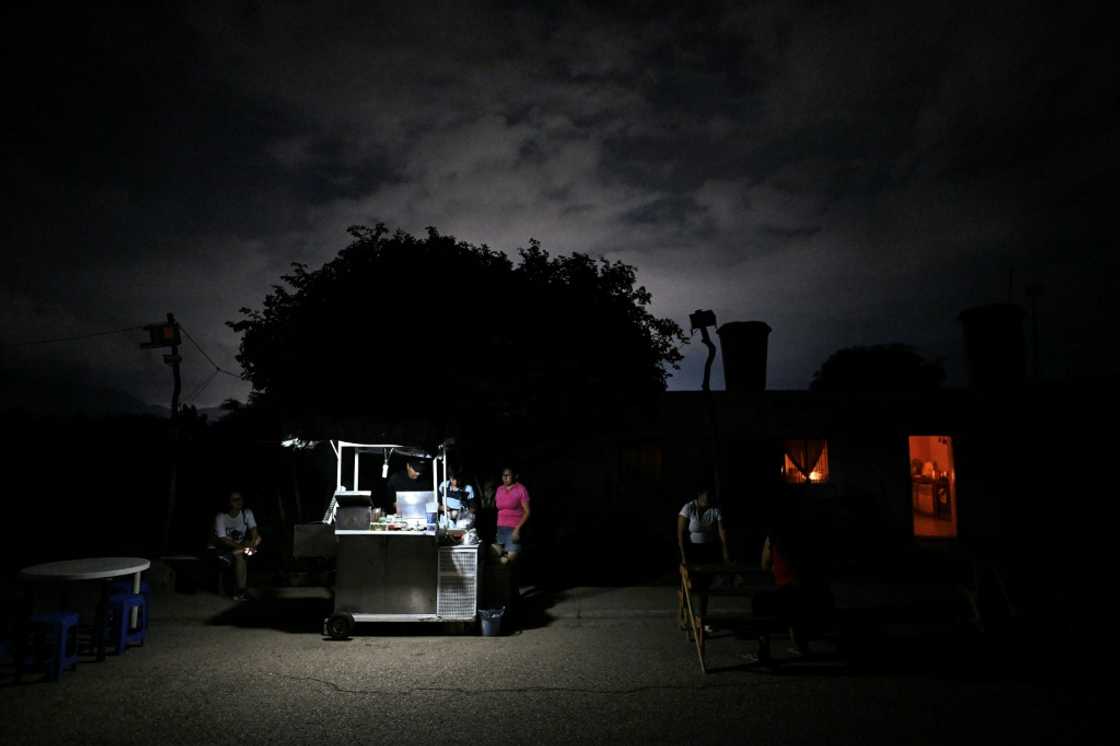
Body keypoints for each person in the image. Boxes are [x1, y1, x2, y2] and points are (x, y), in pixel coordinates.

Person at [677, 487, 730, 629]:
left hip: (707, 550)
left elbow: (721, 532)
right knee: (691, 585)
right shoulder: (689, 508)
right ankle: (687, 614)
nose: (708, 499)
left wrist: (725, 553)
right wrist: (683, 556)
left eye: (710, 496)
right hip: (692, 550)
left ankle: (702, 617)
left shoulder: (715, 509)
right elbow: (681, 533)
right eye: (706, 496)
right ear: (700, 495)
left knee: (704, 586)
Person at [213, 491, 261, 601]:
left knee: (258, 539)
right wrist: (243, 548)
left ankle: (240, 592)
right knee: (241, 556)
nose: (238, 502)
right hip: (223, 547)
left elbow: (254, 530)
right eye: (235, 500)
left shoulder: (247, 513)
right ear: (229, 502)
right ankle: (241, 592)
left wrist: (252, 543)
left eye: (240, 499)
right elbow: (223, 539)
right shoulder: (221, 516)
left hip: (238, 547)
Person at [494, 467, 530, 563]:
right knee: (498, 556)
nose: (505, 477)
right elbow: (500, 508)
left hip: (514, 528)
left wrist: (518, 528)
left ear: (514, 476)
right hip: (501, 527)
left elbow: (527, 512)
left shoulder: (521, 489)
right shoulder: (499, 489)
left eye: (508, 475)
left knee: (510, 558)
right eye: (503, 475)